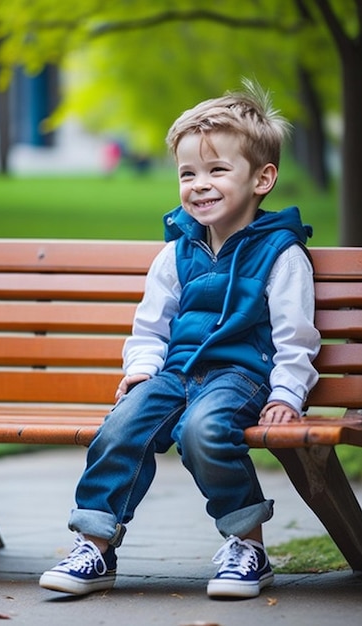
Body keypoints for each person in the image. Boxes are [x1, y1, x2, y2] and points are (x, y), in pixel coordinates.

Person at [39, 80, 320, 600]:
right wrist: (142, 370)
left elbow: (295, 338)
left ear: (263, 178)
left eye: (217, 170)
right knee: (123, 424)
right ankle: (95, 546)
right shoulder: (174, 254)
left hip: (242, 378)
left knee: (203, 429)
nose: (199, 184)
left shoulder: (281, 255)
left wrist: (286, 395)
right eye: (188, 173)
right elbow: (150, 328)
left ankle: (247, 547)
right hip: (175, 374)